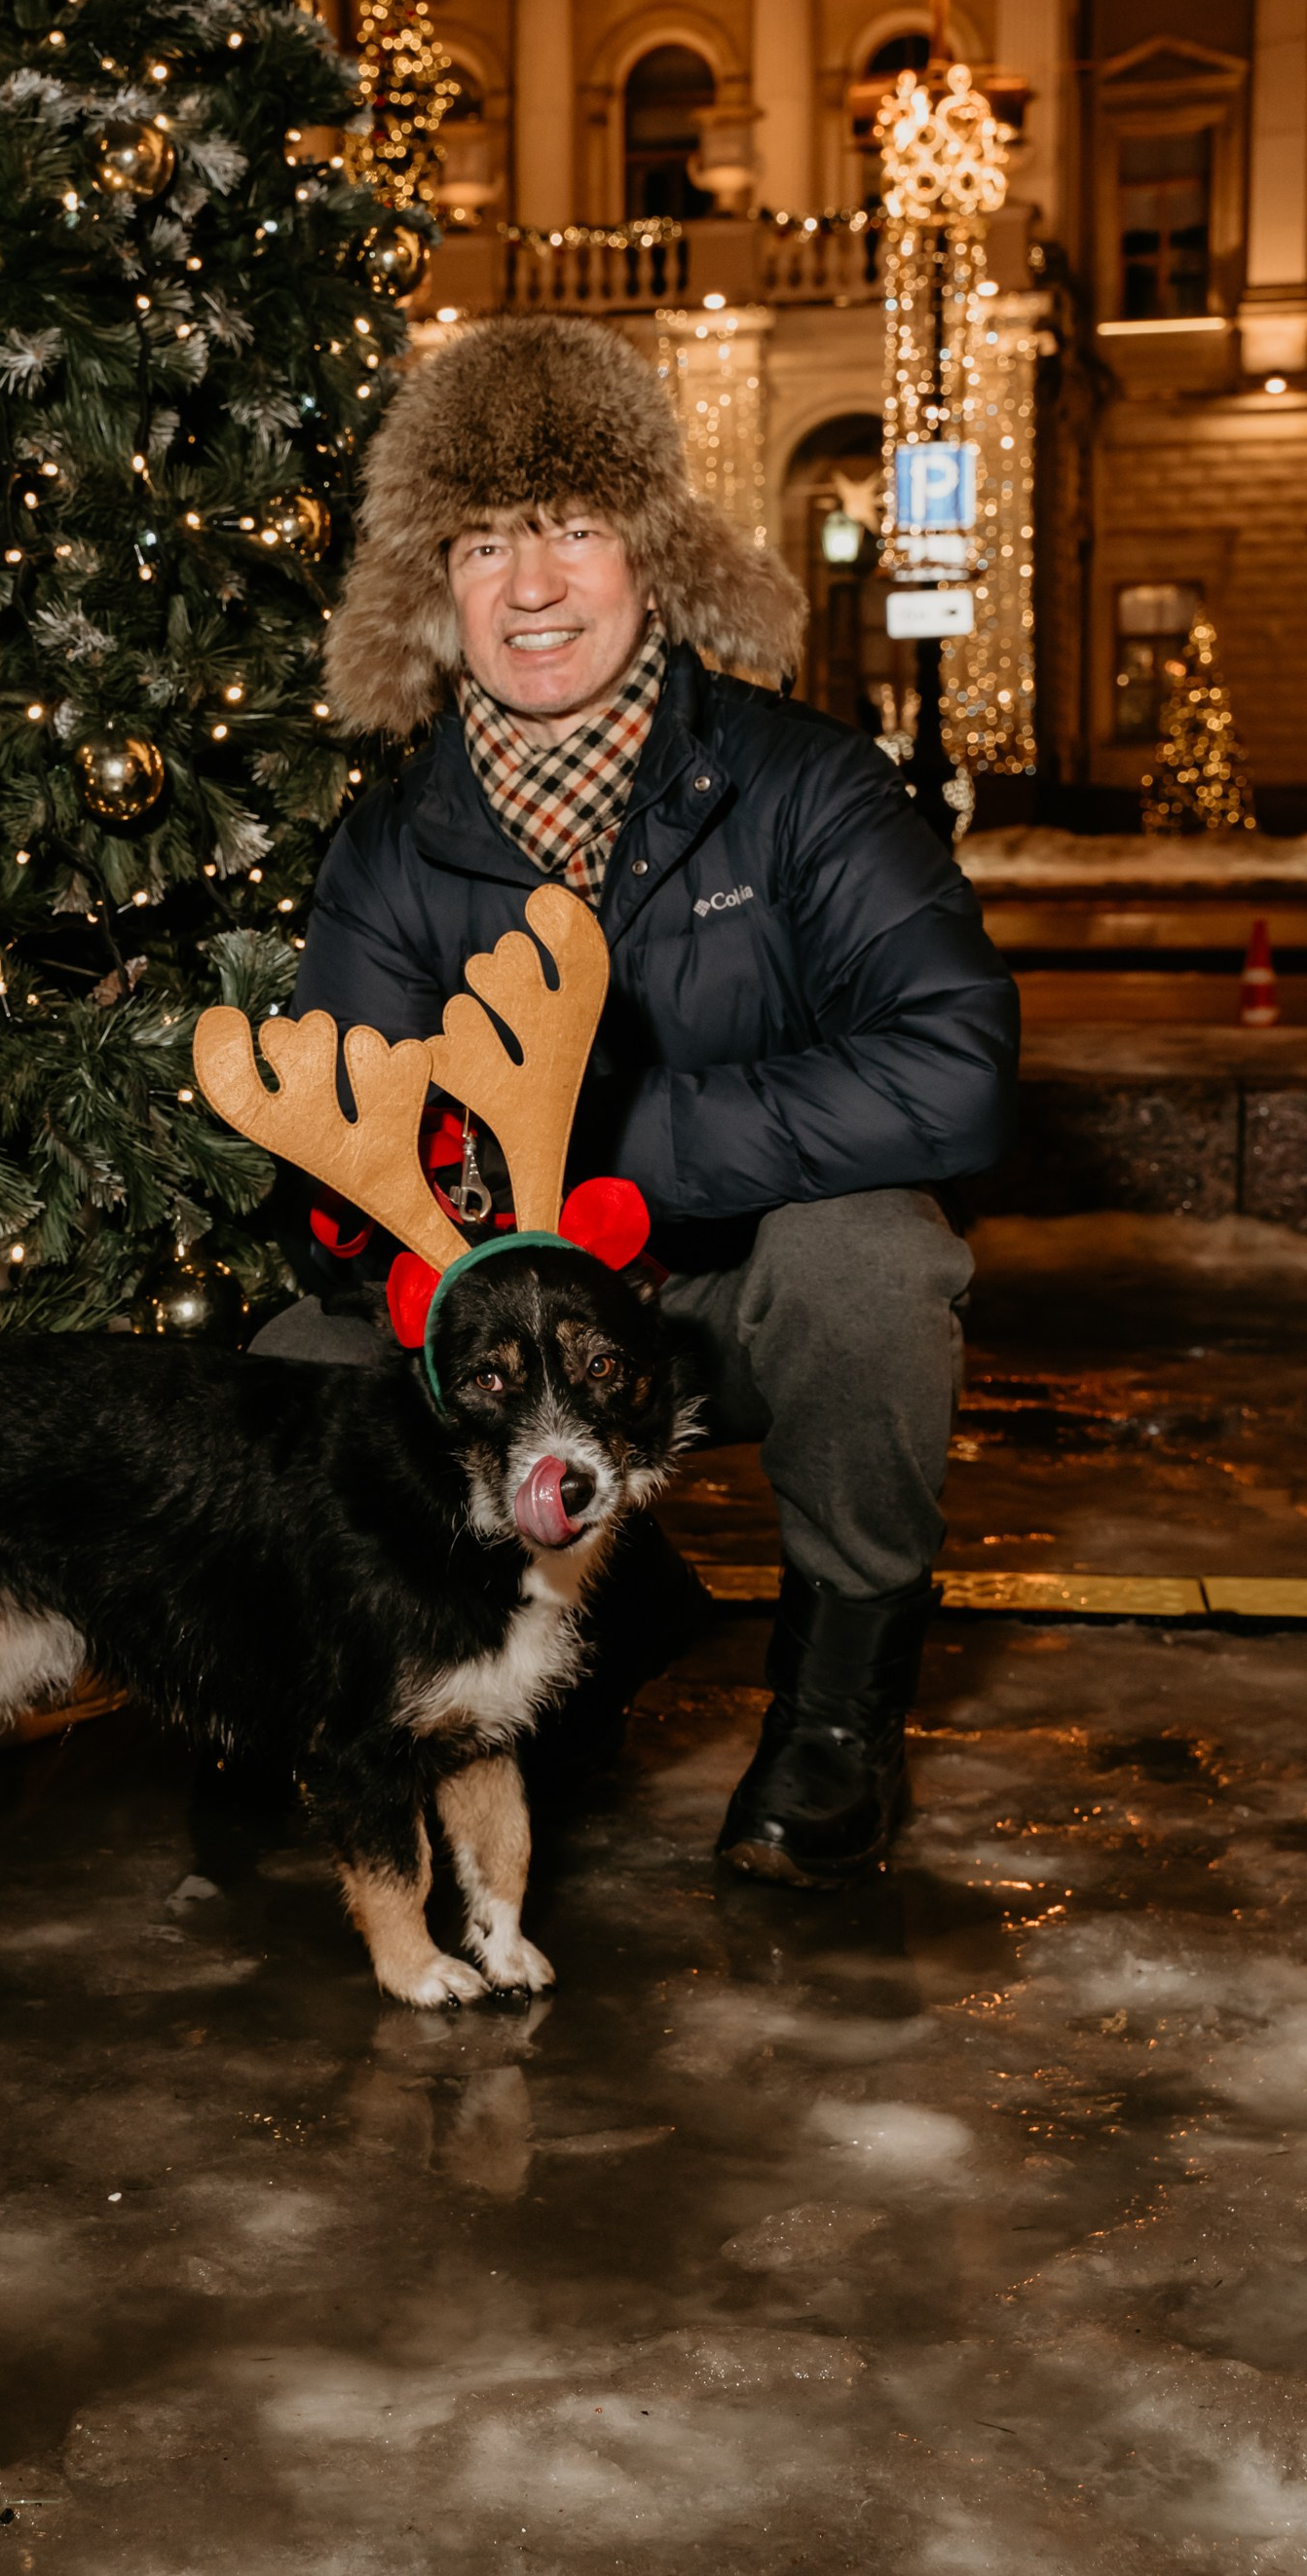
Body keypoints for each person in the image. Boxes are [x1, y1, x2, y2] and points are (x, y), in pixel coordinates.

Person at [253, 315, 1019, 1891]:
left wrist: (625, 1149)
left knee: (870, 1263)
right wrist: (359, 1202)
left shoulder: (802, 785)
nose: (530, 589)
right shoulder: (394, 846)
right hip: (499, 1330)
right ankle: (467, 1686)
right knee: (295, 1360)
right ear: (433, 591)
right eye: (481, 546)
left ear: (653, 557)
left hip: (724, 1309)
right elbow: (346, 1161)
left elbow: (957, 1067)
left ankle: (832, 1722)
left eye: (573, 533)